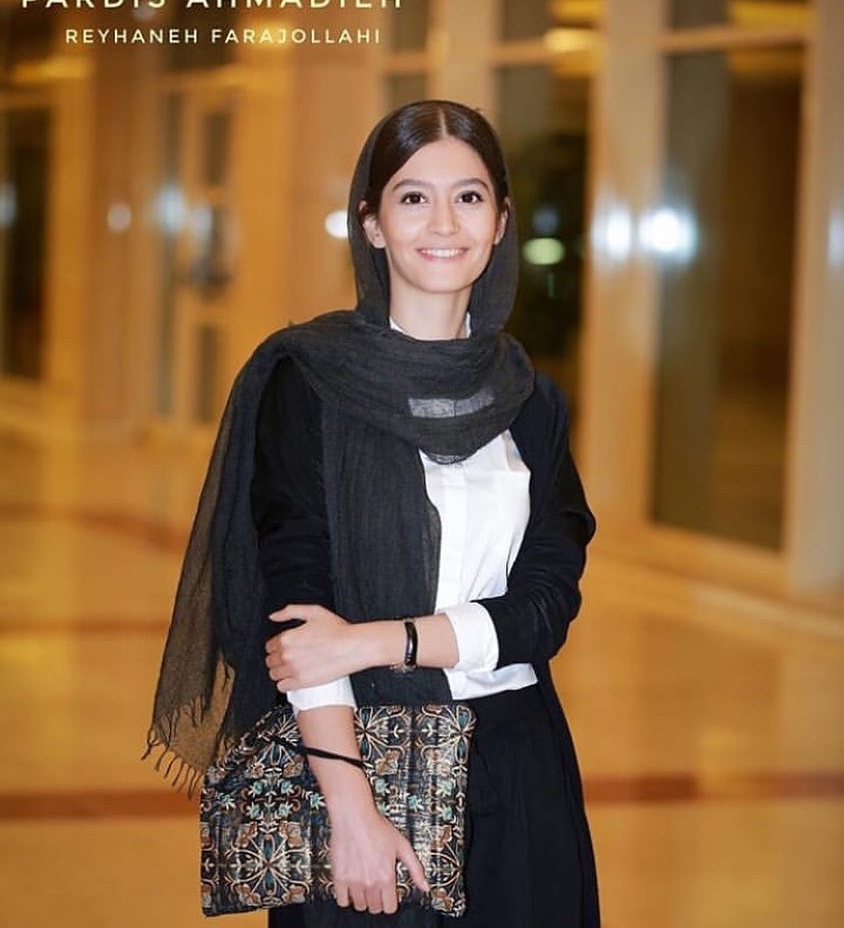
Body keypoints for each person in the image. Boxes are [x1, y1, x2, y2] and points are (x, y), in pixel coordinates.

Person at [144, 99, 599, 928]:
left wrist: (378, 638)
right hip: (355, 756)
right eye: (413, 196)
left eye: (469, 197)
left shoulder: (530, 399)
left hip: (517, 763)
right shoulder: (307, 382)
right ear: (372, 223)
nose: (443, 223)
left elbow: (545, 607)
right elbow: (297, 610)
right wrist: (350, 806)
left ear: (500, 222)